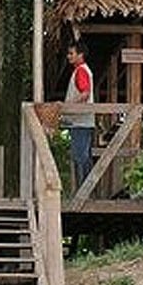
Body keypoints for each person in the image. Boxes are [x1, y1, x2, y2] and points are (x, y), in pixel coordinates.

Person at [61, 41, 94, 189]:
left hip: (80, 120)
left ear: (80, 55)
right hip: (82, 120)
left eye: (71, 53)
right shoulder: (82, 70)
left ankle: (83, 194)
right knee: (83, 157)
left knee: (80, 157)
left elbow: (85, 94)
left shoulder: (81, 70)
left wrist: (67, 106)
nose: (69, 56)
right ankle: (86, 193)